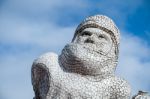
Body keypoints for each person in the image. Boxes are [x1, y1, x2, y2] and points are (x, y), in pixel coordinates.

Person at [32, 15, 131, 99]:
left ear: (113, 48)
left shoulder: (117, 86)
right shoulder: (49, 63)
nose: (91, 38)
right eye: (85, 34)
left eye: (101, 37)